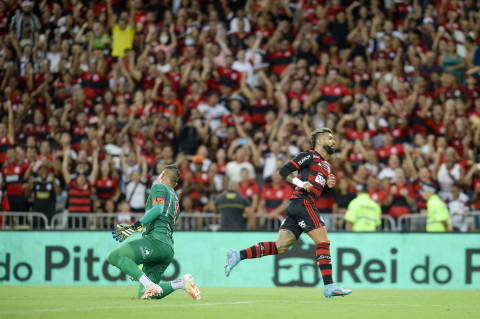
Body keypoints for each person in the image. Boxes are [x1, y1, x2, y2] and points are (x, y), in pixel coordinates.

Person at [224, 128, 352, 298]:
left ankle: (238, 255)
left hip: (298, 205)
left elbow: (317, 193)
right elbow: (284, 170)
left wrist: (327, 186)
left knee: (280, 246)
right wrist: (300, 182)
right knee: (323, 241)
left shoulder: (326, 166)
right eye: (330, 138)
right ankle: (329, 286)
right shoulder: (309, 155)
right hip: (302, 202)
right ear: (319, 141)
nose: (334, 141)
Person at [108, 165, 201, 300]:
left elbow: (157, 210)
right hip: (167, 248)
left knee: (114, 256)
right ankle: (181, 283)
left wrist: (133, 227)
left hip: (155, 241)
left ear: (163, 175)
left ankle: (148, 283)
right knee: (145, 295)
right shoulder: (175, 200)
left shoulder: (159, 187)